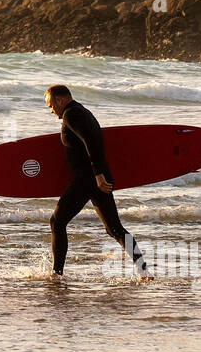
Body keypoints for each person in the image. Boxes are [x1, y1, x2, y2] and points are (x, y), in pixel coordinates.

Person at [44, 84, 151, 280]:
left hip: (88, 179)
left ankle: (56, 274)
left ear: (60, 100)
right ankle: (144, 271)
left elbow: (91, 142)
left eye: (51, 105)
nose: (51, 110)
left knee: (57, 222)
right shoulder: (82, 111)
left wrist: (98, 174)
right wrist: (100, 175)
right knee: (114, 229)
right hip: (95, 178)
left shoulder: (71, 114)